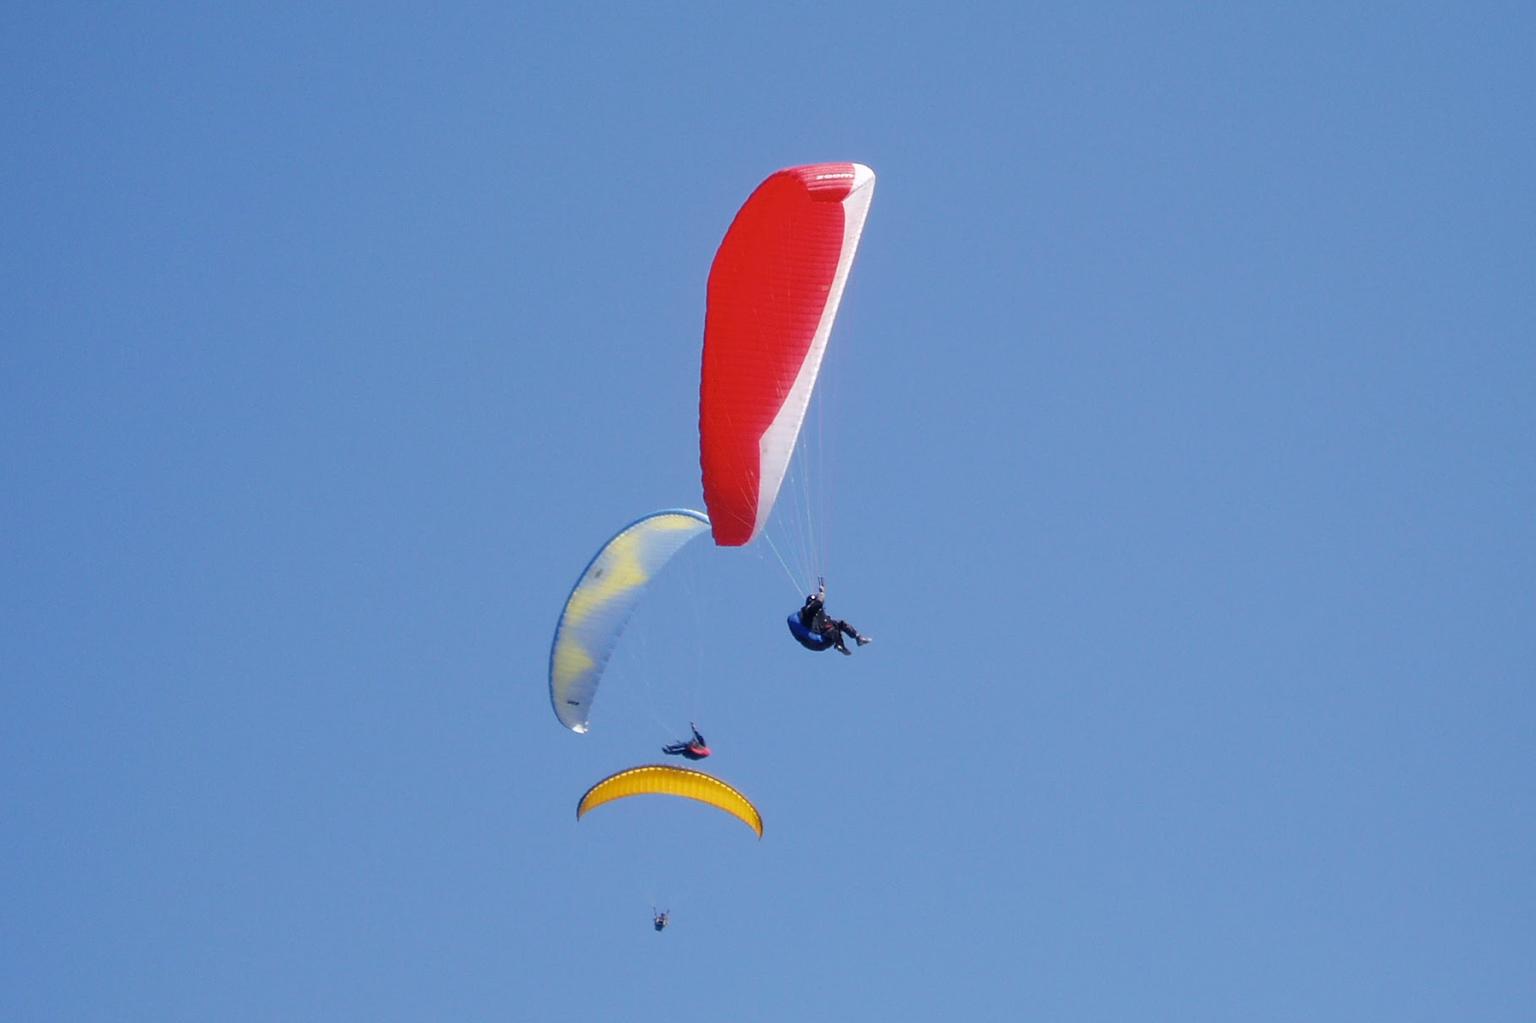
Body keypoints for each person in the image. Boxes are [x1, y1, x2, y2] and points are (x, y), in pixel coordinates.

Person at [794, 579, 872, 656]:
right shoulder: (808, 612)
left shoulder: (819, 612)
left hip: (825, 631)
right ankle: (840, 645)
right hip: (819, 633)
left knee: (841, 623)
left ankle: (858, 638)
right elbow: (818, 604)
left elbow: (820, 607)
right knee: (832, 630)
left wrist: (821, 593)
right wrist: (822, 593)